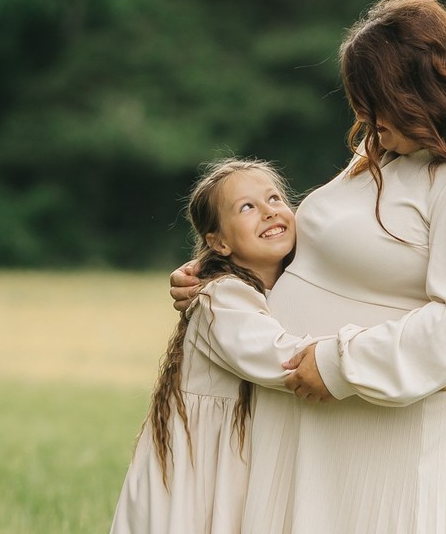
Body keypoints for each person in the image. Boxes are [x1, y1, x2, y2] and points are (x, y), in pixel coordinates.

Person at [170, 0, 446, 534]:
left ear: (423, 92)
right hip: (330, 427)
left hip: (403, 437)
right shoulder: (381, 154)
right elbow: (328, 251)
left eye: (376, 99)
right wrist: (221, 272)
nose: (364, 117)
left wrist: (339, 363)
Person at [110, 158, 325, 534]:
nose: (268, 211)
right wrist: (366, 356)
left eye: (274, 198)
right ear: (218, 242)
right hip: (203, 462)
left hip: (234, 454)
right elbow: (278, 357)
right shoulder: (220, 298)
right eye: (247, 207)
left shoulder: (290, 286)